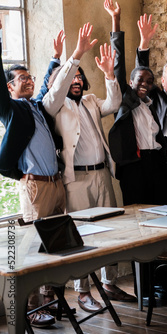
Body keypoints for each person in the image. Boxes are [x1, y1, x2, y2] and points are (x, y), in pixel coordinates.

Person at [42, 23, 136, 312]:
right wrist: (76, 55)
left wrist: (110, 75)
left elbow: (116, 102)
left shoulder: (92, 101)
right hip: (76, 180)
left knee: (108, 230)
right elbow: (57, 86)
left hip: (101, 174)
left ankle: (108, 283)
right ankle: (83, 291)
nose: (76, 80)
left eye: (79, 77)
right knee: (81, 235)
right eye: (72, 77)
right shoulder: (54, 104)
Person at [0, 19, 65, 328]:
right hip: (35, 188)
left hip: (56, 186)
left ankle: (52, 300)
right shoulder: (12, 110)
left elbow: (43, 90)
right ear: (9, 87)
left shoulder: (36, 106)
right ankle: (33, 308)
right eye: (21, 78)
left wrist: (55, 57)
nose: (28, 82)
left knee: (56, 246)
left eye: (30, 77)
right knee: (33, 251)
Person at [105, 0, 167, 206]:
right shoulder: (124, 100)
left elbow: (143, 72)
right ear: (130, 83)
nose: (144, 84)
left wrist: (144, 41)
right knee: (138, 211)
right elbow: (119, 64)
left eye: (149, 82)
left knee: (161, 209)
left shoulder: (151, 103)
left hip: (157, 162)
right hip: (134, 165)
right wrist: (115, 19)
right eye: (139, 81)